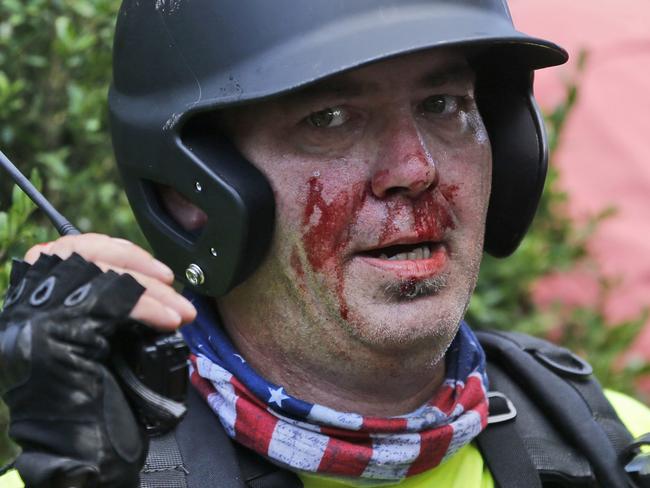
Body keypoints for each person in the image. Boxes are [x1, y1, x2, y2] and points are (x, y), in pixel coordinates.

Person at [1, 0, 649, 487]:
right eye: (330, 119)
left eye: (444, 104)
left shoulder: (613, 440)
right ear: (189, 189)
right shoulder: (75, 471)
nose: (415, 169)